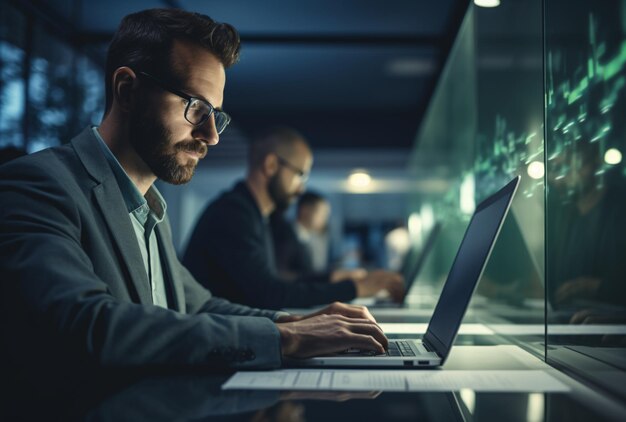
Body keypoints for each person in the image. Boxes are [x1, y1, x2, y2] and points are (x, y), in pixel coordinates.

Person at [0, 9, 391, 390]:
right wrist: (287, 339)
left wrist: (294, 323)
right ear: (127, 90)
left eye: (215, 115)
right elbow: (87, 325)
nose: (212, 135)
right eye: (196, 108)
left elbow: (198, 305)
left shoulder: (149, 206)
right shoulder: (37, 186)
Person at [183, 126, 404, 309]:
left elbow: (277, 279)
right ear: (271, 165)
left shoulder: (255, 215)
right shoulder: (233, 214)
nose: (301, 189)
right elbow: (270, 294)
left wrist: (332, 278)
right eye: (300, 175)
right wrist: (355, 289)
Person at [271, 191, 367, 282]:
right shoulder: (285, 235)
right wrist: (332, 276)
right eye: (321, 213)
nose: (324, 219)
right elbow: (282, 275)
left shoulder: (303, 237)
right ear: (305, 210)